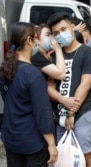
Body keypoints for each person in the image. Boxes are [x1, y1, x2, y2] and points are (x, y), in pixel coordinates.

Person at [0, 22, 58, 166]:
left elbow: (7, 99)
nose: (38, 41)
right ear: (29, 41)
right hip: (32, 141)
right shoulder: (33, 74)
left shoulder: (6, 69)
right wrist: (51, 144)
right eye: (36, 37)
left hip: (11, 138)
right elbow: (42, 112)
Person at [47, 12, 91, 167]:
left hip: (82, 113)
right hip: (58, 116)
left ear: (72, 27)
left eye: (63, 29)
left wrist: (71, 112)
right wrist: (63, 101)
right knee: (63, 157)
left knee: (87, 155)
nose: (60, 35)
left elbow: (85, 84)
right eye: (56, 33)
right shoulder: (54, 56)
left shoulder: (87, 52)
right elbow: (49, 87)